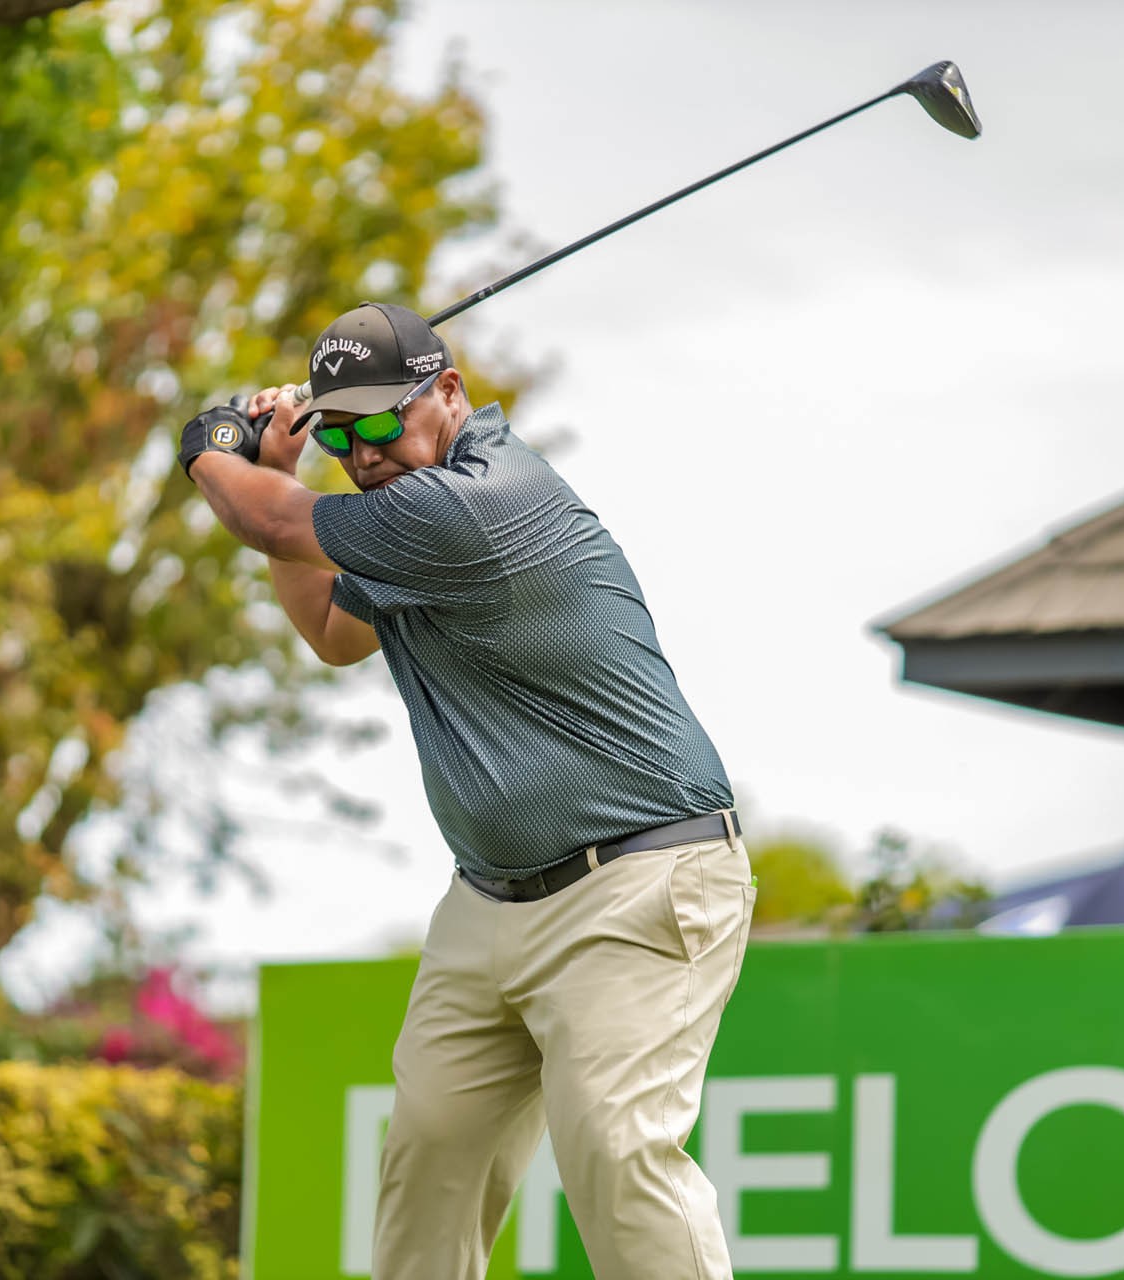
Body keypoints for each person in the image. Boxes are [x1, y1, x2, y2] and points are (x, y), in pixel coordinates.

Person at [180, 301, 753, 1279]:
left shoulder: (472, 505)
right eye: (339, 434)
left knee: (617, 1154)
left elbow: (265, 519)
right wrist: (276, 466)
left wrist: (213, 449)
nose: (364, 454)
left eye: (380, 422)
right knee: (429, 1173)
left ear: (449, 391)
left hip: (638, 881)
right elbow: (333, 633)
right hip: (488, 901)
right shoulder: (405, 514)